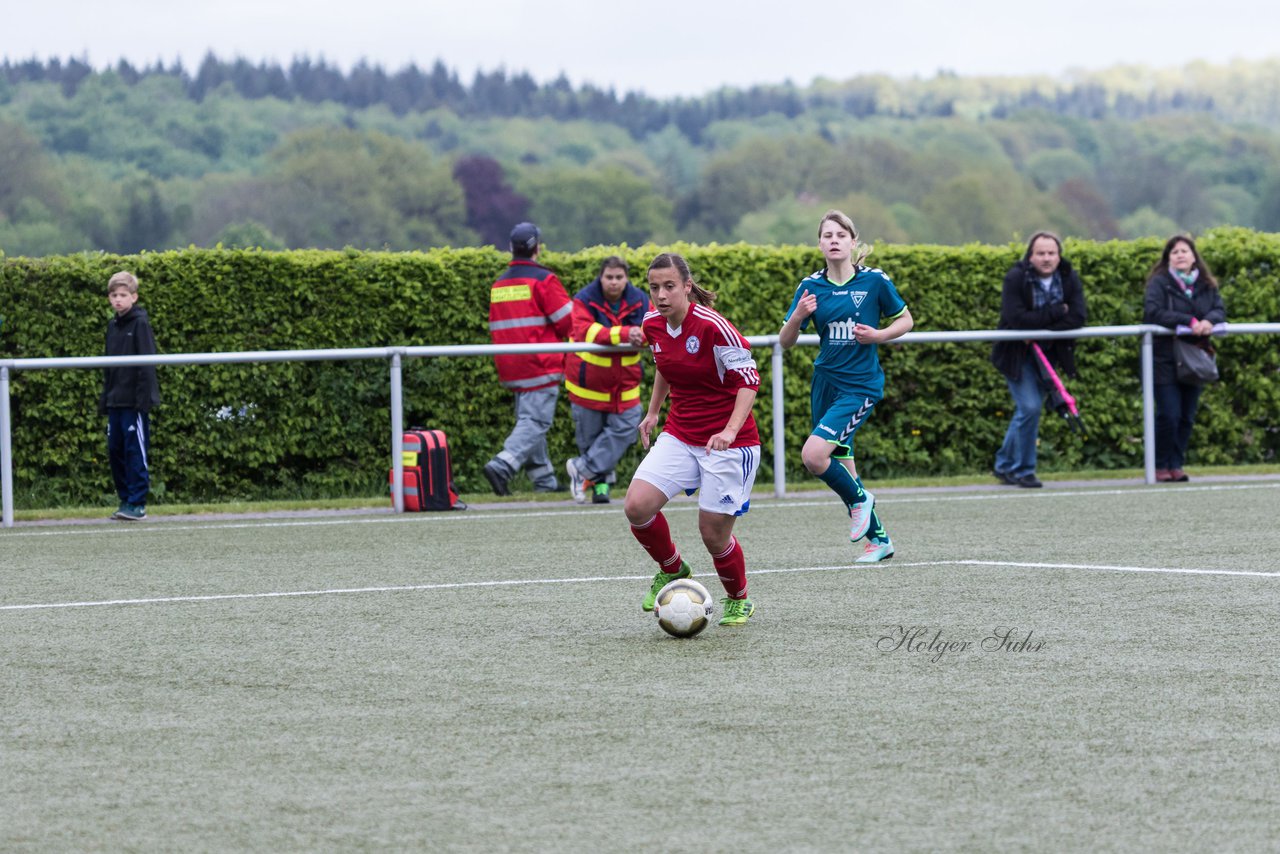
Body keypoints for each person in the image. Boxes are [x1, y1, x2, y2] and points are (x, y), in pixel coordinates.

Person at [625, 253, 761, 627]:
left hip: (730, 443)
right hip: (682, 433)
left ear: (687, 286)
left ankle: (738, 598)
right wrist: (653, 412)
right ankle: (672, 568)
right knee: (637, 507)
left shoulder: (714, 327)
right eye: (654, 288)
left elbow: (749, 382)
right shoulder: (652, 323)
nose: (661, 295)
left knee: (713, 534)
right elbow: (664, 367)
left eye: (669, 286)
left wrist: (730, 431)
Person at [779, 210, 913, 564]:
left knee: (813, 455)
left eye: (841, 235)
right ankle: (879, 539)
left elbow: (906, 319)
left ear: (853, 242)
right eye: (827, 235)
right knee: (842, 463)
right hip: (825, 383)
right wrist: (797, 317)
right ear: (820, 243)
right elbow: (786, 341)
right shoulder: (810, 287)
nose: (834, 240)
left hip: (859, 386)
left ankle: (859, 502)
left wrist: (879, 335)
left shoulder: (874, 281)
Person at [991, 231, 1087, 488]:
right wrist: (1057, 312)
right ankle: (1024, 470)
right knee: (1030, 408)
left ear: (1059, 256)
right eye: (1041, 253)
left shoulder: (1068, 277)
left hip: (1048, 356)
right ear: (1030, 256)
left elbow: (1078, 316)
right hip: (1016, 354)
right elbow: (1016, 318)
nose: (1046, 258)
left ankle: (1004, 465)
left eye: (1051, 253)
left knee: (1027, 411)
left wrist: (1042, 326)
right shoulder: (1016, 277)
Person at [483, 222, 573, 495]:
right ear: (538, 249)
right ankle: (503, 464)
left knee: (530, 419)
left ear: (511, 249)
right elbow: (569, 321)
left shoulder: (499, 284)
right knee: (535, 422)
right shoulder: (544, 280)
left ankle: (544, 481)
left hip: (510, 364)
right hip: (540, 363)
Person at [564, 256, 650, 504]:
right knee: (591, 441)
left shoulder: (641, 299)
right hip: (587, 385)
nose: (614, 282)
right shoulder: (583, 298)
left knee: (626, 429)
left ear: (626, 278)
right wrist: (624, 334)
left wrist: (641, 336)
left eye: (619, 277)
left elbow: (652, 328)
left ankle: (580, 469)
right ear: (601, 277)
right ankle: (600, 489)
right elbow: (584, 331)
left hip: (625, 385)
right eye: (609, 277)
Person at [1142, 234, 1226, 483]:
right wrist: (1188, 321)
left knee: (1187, 415)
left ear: (1193, 257)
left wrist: (1209, 321)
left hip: (1194, 358)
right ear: (1168, 257)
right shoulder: (1159, 283)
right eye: (1175, 251)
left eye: (1184, 251)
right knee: (1169, 413)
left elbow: (1219, 309)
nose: (1180, 255)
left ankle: (1176, 464)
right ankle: (1159, 466)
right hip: (1164, 357)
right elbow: (1153, 312)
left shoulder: (1207, 285)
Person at [99, 271, 161, 521]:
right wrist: (106, 398)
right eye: (114, 295)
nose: (118, 300)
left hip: (134, 402)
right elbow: (108, 366)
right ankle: (125, 499)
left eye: (123, 295)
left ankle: (137, 503)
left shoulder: (140, 323)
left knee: (135, 452)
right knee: (116, 451)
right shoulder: (112, 326)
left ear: (134, 297)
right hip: (115, 400)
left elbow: (147, 363)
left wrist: (143, 398)